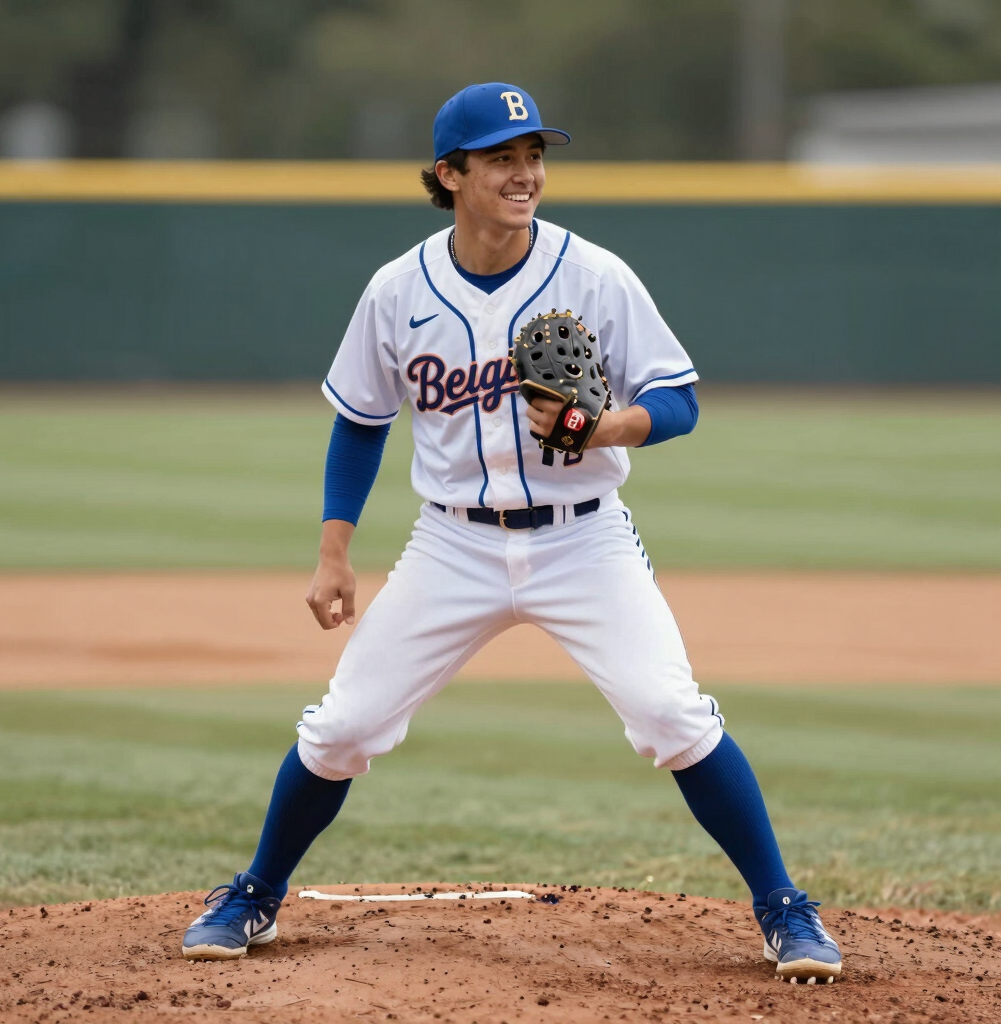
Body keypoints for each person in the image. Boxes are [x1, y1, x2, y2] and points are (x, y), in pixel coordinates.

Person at [181, 82, 842, 984]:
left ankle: (783, 908)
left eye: (534, 155)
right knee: (342, 728)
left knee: (669, 714)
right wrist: (334, 551)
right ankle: (255, 890)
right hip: (452, 543)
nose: (526, 173)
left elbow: (679, 400)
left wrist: (610, 427)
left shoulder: (595, 274)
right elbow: (360, 422)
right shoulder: (396, 290)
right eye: (502, 158)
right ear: (450, 174)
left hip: (585, 538)